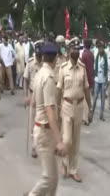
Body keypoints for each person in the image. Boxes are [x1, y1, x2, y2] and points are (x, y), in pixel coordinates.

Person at [24, 43, 67, 196]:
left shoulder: (39, 74)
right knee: (48, 178)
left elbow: (34, 102)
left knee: (53, 180)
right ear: (55, 58)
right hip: (44, 131)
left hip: (41, 129)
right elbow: (49, 112)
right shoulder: (48, 78)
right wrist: (59, 140)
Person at [56, 38, 92, 183]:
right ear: (69, 51)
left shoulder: (82, 68)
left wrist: (90, 108)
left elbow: (86, 89)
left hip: (79, 106)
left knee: (76, 141)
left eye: (78, 49)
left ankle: (73, 170)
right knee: (67, 139)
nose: (76, 51)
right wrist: (57, 106)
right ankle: (64, 162)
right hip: (66, 106)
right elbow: (59, 89)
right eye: (74, 49)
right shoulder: (63, 68)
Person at [24, 40, 44, 158]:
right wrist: (26, 95)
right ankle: (34, 147)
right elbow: (26, 80)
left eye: (40, 55)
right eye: (37, 55)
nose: (39, 57)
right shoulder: (31, 63)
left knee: (42, 121)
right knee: (33, 122)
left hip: (43, 96)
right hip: (32, 95)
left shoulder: (45, 63)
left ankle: (41, 143)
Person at [92, 41, 108, 121]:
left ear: (103, 49)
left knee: (102, 98)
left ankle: (101, 114)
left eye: (102, 48)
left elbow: (107, 69)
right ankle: (92, 112)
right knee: (95, 97)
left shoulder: (106, 57)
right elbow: (94, 67)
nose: (100, 49)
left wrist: (107, 81)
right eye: (99, 48)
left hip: (103, 79)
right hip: (97, 79)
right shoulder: (96, 56)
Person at [81, 39, 95, 126]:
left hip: (85, 77)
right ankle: (86, 116)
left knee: (85, 99)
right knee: (88, 96)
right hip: (90, 77)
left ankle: (86, 118)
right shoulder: (91, 54)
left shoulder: (84, 54)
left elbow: (82, 67)